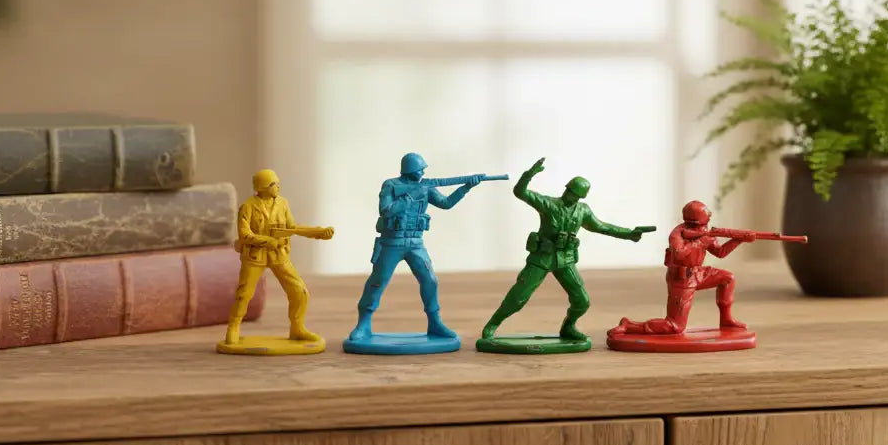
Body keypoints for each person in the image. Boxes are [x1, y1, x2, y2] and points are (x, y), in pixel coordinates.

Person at [482, 157, 654, 342]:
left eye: (574, 193)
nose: (569, 195)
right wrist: (528, 176)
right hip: (542, 257)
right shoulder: (549, 204)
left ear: (580, 197)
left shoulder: (583, 211)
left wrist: (628, 233)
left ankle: (569, 327)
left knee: (582, 300)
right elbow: (520, 192)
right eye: (569, 190)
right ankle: (493, 324)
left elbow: (602, 227)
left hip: (565, 259)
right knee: (519, 297)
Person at [349, 152, 484, 340]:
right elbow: (386, 210)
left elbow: (446, 204)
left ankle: (435, 323)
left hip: (415, 243)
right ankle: (363, 324)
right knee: (377, 282)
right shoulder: (391, 185)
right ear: (410, 170)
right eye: (420, 169)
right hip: (391, 242)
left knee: (430, 280)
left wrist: (466, 187)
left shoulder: (425, 187)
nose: (422, 172)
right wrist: (411, 197)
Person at [225, 168, 333, 347]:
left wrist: (318, 232)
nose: (278, 186)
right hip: (255, 256)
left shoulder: (282, 204)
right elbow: (244, 235)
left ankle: (297, 327)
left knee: (299, 290)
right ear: (262, 187)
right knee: (244, 294)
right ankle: (234, 326)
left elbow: (293, 227)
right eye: (273, 184)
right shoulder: (248, 207)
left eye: (277, 183)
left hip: (279, 255)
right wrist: (267, 241)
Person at [609, 200, 752, 335]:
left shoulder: (703, 231)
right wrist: (700, 242)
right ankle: (629, 325)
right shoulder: (677, 234)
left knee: (727, 278)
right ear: (695, 221)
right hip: (682, 278)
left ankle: (726, 320)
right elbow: (679, 255)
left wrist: (738, 239)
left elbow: (720, 253)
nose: (708, 221)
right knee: (675, 326)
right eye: (706, 219)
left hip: (698, 272)